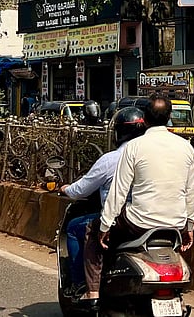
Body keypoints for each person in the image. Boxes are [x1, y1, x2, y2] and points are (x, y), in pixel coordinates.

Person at [89, 93, 194, 306]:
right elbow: (192, 192)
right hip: (175, 225)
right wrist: (190, 227)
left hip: (139, 223)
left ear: (145, 120)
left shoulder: (134, 147)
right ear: (168, 118)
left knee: (90, 231)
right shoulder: (186, 147)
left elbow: (118, 192)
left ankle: (93, 293)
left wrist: (104, 226)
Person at [60, 107, 147, 299]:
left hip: (126, 219)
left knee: (77, 228)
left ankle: (84, 286)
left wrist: (65, 189)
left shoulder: (112, 159)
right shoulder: (154, 157)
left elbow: (81, 190)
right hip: (160, 218)